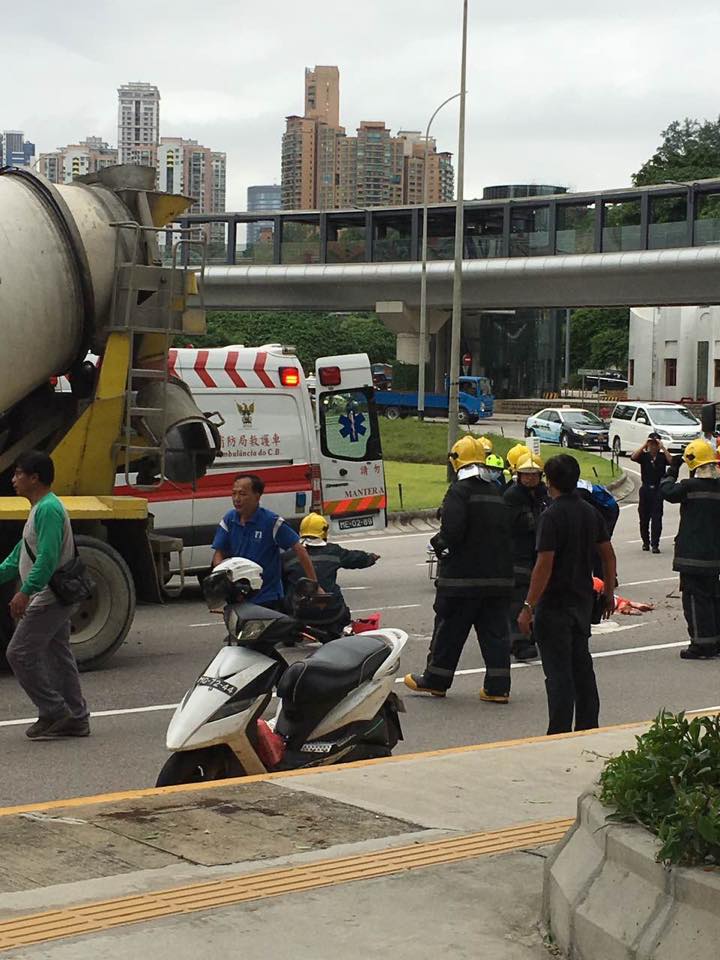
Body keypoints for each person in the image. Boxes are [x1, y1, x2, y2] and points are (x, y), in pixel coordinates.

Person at [404, 435, 514, 703]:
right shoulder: (497, 492)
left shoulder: (459, 491)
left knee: (449, 632)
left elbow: (452, 531)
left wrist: (439, 545)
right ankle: (497, 688)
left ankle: (436, 680)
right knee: (495, 635)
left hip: (462, 581)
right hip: (498, 579)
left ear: (456, 462)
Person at [517, 454, 616, 735]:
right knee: (582, 668)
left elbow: (544, 565)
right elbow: (608, 556)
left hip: (554, 605)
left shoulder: (551, 516)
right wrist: (608, 593)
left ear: (550, 481)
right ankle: (588, 726)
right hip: (582, 602)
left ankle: (558, 732)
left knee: (558, 674)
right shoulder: (590, 512)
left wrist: (528, 606)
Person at [1, 451, 90, 740]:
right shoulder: (40, 508)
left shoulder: (48, 509)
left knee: (19, 654)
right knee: (58, 655)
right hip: (48, 594)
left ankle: (54, 710)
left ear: (34, 477)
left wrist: (25, 592)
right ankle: (77, 718)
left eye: (18, 473)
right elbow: (20, 554)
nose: (13, 479)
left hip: (48, 596)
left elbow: (48, 558)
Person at [211, 474, 318, 611]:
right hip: (238, 597)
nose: (237, 499)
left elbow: (299, 549)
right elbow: (218, 553)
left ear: (257, 496)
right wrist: (224, 577)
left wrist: (314, 585)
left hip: (268, 598)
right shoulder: (229, 520)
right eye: (234, 494)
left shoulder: (271, 522)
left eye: (242, 494)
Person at [660, 439, 720, 659]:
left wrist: (672, 469)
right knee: (714, 598)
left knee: (695, 600)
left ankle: (701, 645)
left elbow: (666, 491)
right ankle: (715, 641)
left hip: (692, 556)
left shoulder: (688, 487)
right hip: (714, 556)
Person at [282, 512, 379, 624]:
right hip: (332, 614)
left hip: (298, 615)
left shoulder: (287, 556)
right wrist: (371, 557)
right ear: (324, 532)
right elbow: (355, 558)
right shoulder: (333, 551)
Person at [503, 453, 550, 661]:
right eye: (525, 474)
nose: (530, 478)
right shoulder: (511, 497)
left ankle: (531, 635)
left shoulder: (544, 496)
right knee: (518, 600)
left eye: (534, 475)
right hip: (517, 555)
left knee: (538, 598)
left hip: (539, 554)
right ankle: (519, 642)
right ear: (518, 475)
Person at [630, 432, 671, 553]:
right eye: (651, 444)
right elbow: (633, 457)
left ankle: (655, 544)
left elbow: (672, 461)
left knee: (657, 518)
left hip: (658, 489)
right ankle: (645, 542)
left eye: (655, 444)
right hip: (646, 489)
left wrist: (663, 447)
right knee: (644, 518)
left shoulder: (662, 457)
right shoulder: (644, 456)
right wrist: (644, 445)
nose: (653, 446)